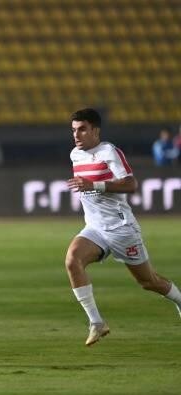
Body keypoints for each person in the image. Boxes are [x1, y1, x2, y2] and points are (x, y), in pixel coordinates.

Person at [65, 108, 181, 346]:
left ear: (95, 130)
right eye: (74, 130)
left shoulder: (109, 151)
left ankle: (180, 300)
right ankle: (97, 323)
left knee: (148, 282)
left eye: (82, 129)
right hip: (95, 228)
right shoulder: (75, 155)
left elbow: (131, 185)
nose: (77, 135)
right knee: (72, 260)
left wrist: (95, 186)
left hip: (121, 229)